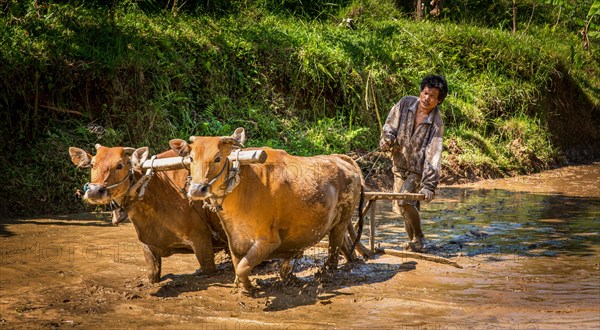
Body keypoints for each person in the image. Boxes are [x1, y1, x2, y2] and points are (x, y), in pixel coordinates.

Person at [379, 74, 448, 252]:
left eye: (433, 96)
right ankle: (414, 244)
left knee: (404, 201)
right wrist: (387, 139)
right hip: (399, 164)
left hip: (418, 169)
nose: (427, 98)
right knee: (403, 208)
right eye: (425, 93)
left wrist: (429, 185)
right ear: (421, 91)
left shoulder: (436, 123)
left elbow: (434, 154)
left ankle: (419, 237)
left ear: (439, 100)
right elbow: (390, 126)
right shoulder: (404, 104)